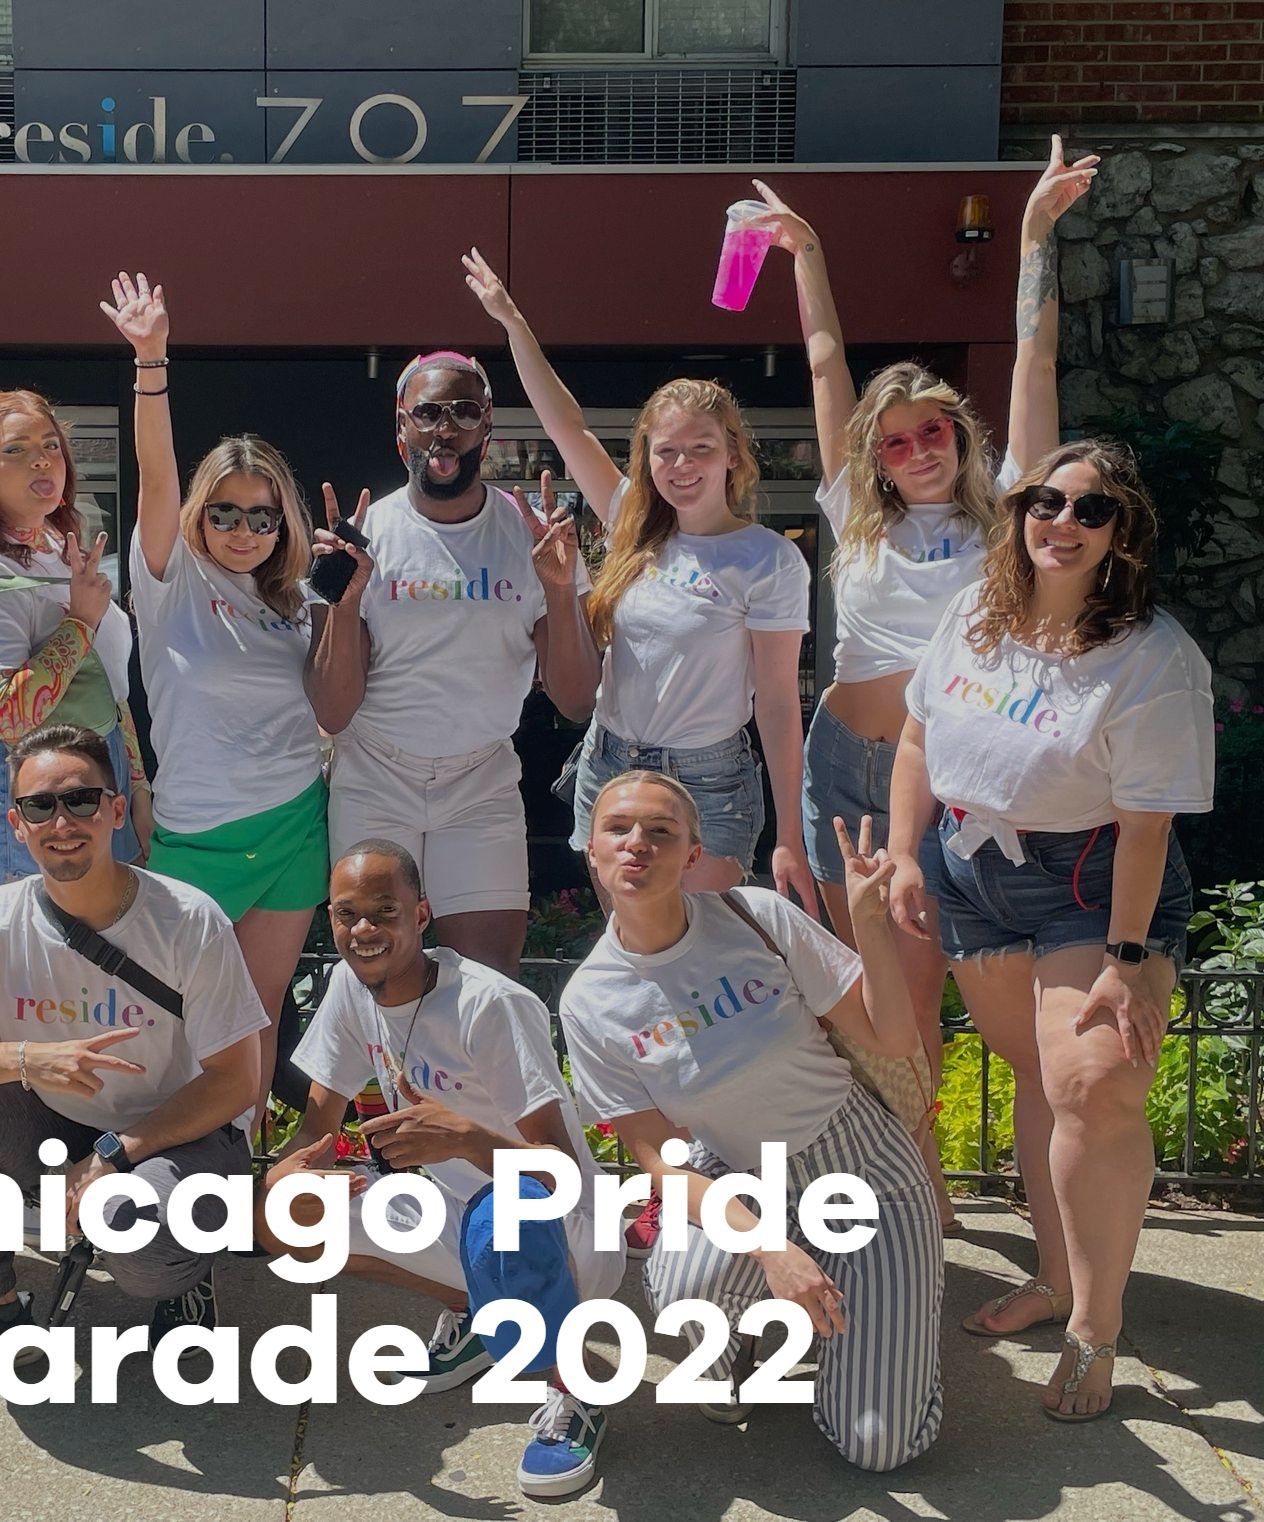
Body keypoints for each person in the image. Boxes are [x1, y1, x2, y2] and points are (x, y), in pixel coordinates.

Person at [752, 137, 1099, 1232]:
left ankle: (920, 1176)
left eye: (931, 430)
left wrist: (1036, 234)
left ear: (959, 433)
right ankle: (914, 1182)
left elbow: (1034, 368)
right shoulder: (855, 509)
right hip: (844, 767)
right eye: (894, 439)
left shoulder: (1010, 512)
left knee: (928, 979)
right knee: (876, 996)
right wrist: (806, 254)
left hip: (949, 774)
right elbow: (822, 367)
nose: (913, 449)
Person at [887, 440, 1214, 1420]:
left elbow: (1149, 825)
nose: (1061, 522)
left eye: (1091, 510)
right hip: (972, 876)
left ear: (1123, 537)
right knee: (1039, 1075)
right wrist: (905, 854)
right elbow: (914, 736)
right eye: (1044, 501)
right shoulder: (974, 616)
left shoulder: (1156, 659)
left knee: (1095, 1086)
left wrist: (1123, 958)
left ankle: (1094, 1329)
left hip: (1095, 885)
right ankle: (1056, 1277)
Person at [558, 771, 943, 1470]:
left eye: (661, 831)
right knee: (682, 1289)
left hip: (864, 1172)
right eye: (618, 829)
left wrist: (869, 923)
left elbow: (890, 1038)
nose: (637, 844)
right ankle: (758, 1337)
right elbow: (662, 1167)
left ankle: (865, 1328)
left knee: (878, 1444)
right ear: (591, 849)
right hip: (743, 1177)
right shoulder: (590, 1002)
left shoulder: (755, 918)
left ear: (693, 855)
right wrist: (771, 1248)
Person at [0, 722, 265, 1406]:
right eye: (39, 807)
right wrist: (27, 1059)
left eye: (82, 800)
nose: (62, 822)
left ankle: (185, 1274)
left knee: (140, 1248)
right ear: (17, 824)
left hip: (184, 1138)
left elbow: (236, 1080)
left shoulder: (187, 920)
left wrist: (115, 1156)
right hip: (56, 1126)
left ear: (117, 811)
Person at [262, 840, 625, 1499]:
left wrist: (465, 1137)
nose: (364, 930)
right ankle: (477, 1318)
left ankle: (575, 1391)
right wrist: (289, 1176)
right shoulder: (352, 985)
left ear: (421, 914)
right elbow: (314, 1131)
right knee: (282, 1221)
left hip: (561, 1226)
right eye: (347, 914)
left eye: (384, 910)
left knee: (507, 1214)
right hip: (459, 1215)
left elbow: (559, 1177)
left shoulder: (488, 1005)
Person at [463, 254, 813, 912]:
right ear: (647, 457)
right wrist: (512, 322)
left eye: (701, 448)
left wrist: (788, 833)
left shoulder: (766, 560)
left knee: (700, 950)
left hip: (707, 781)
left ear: (732, 454)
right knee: (631, 951)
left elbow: (775, 704)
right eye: (665, 450)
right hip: (610, 767)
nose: (682, 465)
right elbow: (566, 426)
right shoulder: (630, 520)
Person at [99, 272, 327, 1119]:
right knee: (178, 1024)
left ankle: (228, 1196)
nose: (242, 531)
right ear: (200, 515)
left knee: (256, 1029)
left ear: (283, 523)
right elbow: (156, 475)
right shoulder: (168, 583)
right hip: (196, 838)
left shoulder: (303, 605)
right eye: (225, 513)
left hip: (296, 823)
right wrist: (151, 363)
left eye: (261, 516)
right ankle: (165, 1178)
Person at [306, 352, 599, 977]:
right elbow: (332, 709)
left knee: (488, 981)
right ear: (401, 426)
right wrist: (345, 599)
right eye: (429, 413)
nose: (445, 429)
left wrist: (558, 589)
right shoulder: (365, 536)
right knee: (375, 973)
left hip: (481, 778)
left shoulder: (529, 534)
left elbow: (577, 701)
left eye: (464, 413)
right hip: (376, 774)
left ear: (487, 425)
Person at [0, 389, 148, 894]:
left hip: (95, 778)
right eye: (15, 450)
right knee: (23, 952)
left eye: (50, 446)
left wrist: (136, 785)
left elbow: (112, 687)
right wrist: (82, 623)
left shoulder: (54, 546)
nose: (41, 460)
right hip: (21, 785)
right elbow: (5, 715)